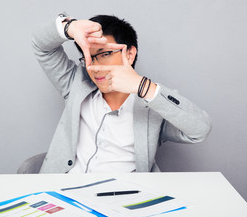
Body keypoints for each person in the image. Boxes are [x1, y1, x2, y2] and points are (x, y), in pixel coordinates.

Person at [32, 13, 212, 173]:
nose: (95, 67)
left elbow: (200, 130)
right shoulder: (75, 84)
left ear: (129, 54)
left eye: (104, 54)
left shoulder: (154, 104)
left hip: (122, 200)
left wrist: (143, 87)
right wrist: (69, 26)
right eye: (89, 56)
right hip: (64, 193)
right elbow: (41, 47)